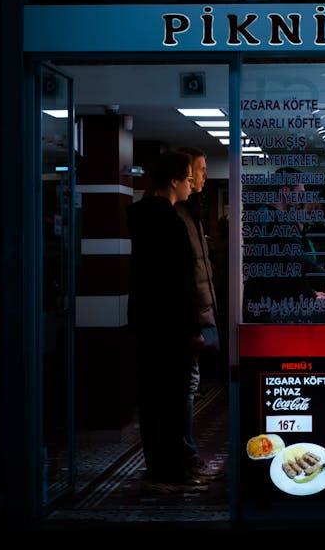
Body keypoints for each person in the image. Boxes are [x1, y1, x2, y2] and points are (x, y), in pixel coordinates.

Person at [125, 150, 206, 491]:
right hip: (169, 327)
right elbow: (178, 281)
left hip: (149, 323)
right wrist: (193, 327)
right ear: (173, 181)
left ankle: (164, 469)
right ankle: (169, 472)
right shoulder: (168, 220)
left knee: (156, 399)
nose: (191, 183)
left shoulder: (145, 215)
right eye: (188, 177)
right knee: (170, 401)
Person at [242, 166, 325, 322]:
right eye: (300, 194)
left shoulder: (263, 217)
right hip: (273, 310)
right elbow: (298, 262)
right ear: (285, 191)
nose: (302, 200)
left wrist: (312, 293)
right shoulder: (279, 222)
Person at [172, 146, 224, 480]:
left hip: (202, 314)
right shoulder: (177, 217)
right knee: (184, 389)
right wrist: (195, 323)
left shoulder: (190, 212)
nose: (203, 176)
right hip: (191, 319)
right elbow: (183, 278)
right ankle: (185, 458)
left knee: (189, 386)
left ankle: (186, 455)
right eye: (200, 169)